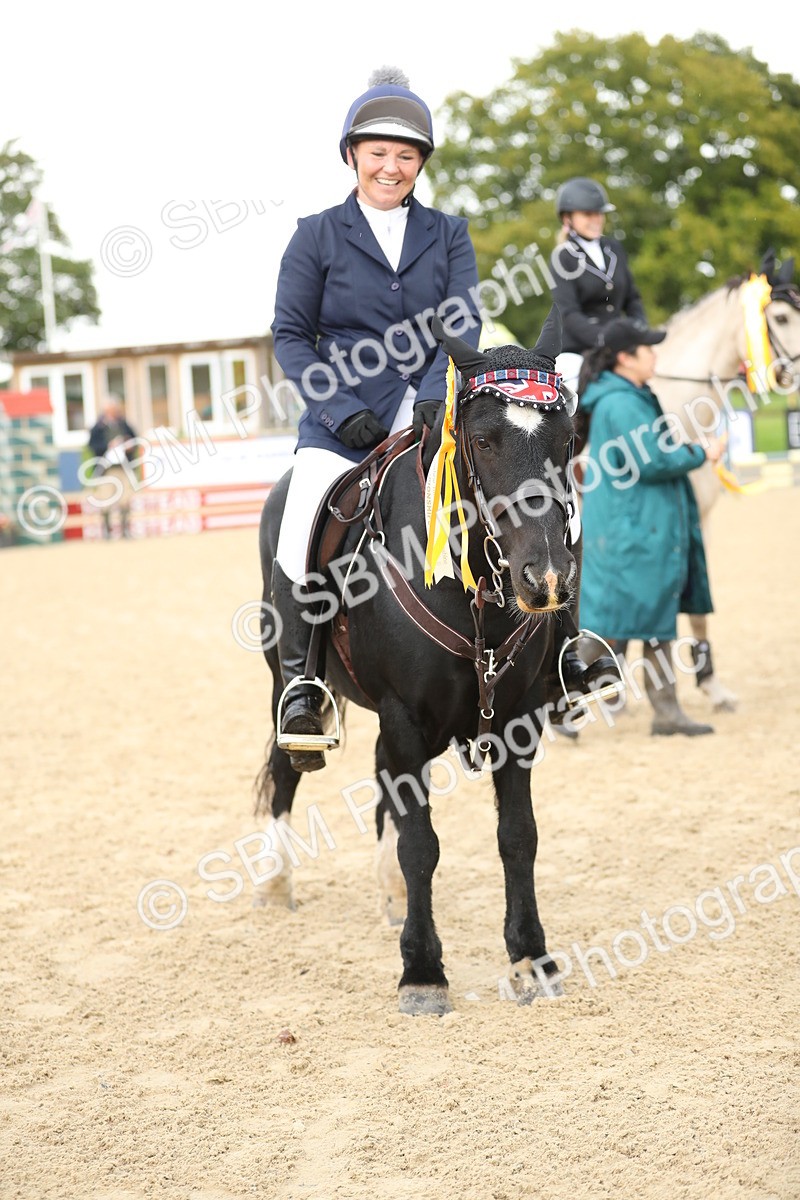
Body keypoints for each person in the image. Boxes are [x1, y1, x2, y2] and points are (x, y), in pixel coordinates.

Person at [576, 318, 725, 736]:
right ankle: (560, 701)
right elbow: (653, 461)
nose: (655, 355)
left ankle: (665, 711)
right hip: (634, 531)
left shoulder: (627, 397)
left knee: (647, 618)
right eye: (648, 349)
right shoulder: (622, 404)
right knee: (613, 626)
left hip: (637, 528)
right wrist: (701, 452)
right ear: (626, 358)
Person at [549, 177, 649, 396]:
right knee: (573, 397)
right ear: (567, 218)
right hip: (579, 350)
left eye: (599, 213)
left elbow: (632, 298)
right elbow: (569, 313)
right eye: (588, 214)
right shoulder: (563, 257)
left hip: (620, 347)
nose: (596, 219)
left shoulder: (614, 248)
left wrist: (639, 329)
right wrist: (604, 339)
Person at [87, 397, 137, 538]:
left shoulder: (124, 425)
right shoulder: (98, 428)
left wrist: (128, 446)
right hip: (106, 470)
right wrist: (107, 446)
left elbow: (134, 440)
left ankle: (125, 530)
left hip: (123, 468)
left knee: (125, 498)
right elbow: (93, 446)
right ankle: (107, 531)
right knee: (106, 498)